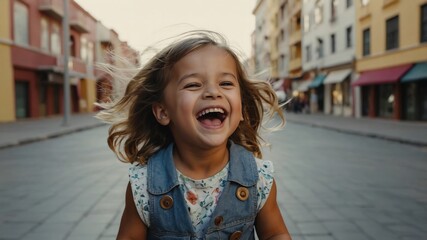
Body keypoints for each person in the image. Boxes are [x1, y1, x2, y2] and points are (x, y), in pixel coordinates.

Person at [97, 31, 292, 240]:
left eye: (225, 83)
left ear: (242, 109)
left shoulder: (258, 178)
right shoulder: (144, 183)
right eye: (193, 85)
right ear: (163, 111)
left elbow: (275, 233)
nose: (212, 92)